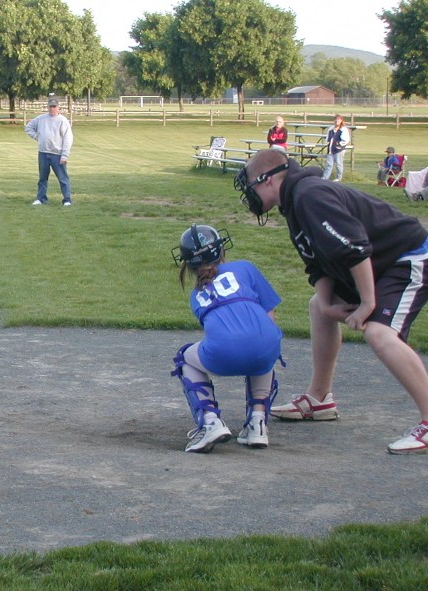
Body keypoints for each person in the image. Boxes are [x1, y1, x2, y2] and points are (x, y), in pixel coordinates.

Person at [235, 148, 428, 455]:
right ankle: (319, 398)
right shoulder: (294, 203)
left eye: (251, 185)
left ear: (268, 179)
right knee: (316, 306)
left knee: (379, 333)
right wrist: (326, 303)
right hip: (381, 264)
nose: (250, 193)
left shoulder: (309, 195)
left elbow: (354, 247)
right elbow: (317, 263)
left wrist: (367, 303)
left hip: (408, 257)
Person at [170, 224, 284, 453]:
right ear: (222, 250)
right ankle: (257, 423)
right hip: (267, 346)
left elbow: (222, 334)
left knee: (186, 357)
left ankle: (210, 421)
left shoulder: (196, 295)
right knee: (263, 344)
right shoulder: (245, 267)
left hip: (223, 352)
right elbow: (268, 318)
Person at [25, 96, 73, 206]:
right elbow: (28, 128)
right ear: (48, 107)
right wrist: (37, 137)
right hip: (43, 153)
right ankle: (41, 198)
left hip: (57, 154)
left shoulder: (62, 121)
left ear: (58, 108)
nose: (52, 108)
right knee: (42, 178)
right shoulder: (41, 119)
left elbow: (68, 138)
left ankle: (67, 199)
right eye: (50, 106)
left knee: (63, 178)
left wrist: (65, 155)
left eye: (54, 106)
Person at [321, 114, 350, 182]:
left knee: (339, 164)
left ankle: (338, 177)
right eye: (336, 119)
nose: (337, 121)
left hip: (338, 150)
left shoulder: (343, 129)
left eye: (339, 119)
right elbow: (328, 138)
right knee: (329, 164)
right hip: (331, 149)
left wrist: (339, 144)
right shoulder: (331, 129)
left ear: (341, 121)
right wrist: (327, 142)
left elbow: (345, 139)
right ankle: (325, 178)